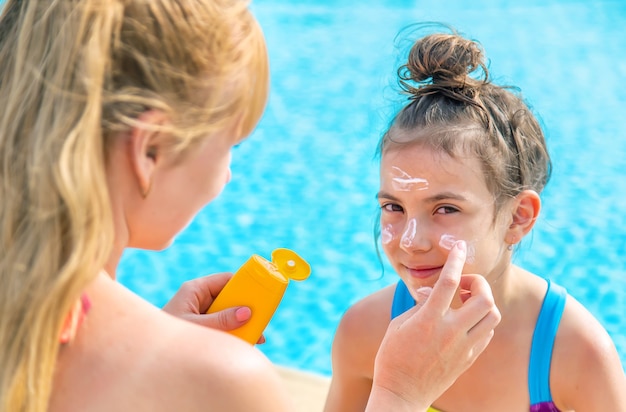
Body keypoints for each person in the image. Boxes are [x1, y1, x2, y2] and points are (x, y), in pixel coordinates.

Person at [0, 2, 501, 412]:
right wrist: (400, 394)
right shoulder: (223, 384)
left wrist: (162, 341)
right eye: (230, 146)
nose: (227, 178)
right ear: (149, 148)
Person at [324, 27, 626, 412]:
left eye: (445, 209)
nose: (410, 241)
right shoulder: (364, 333)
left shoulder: (575, 356)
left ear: (518, 217)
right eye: (394, 207)